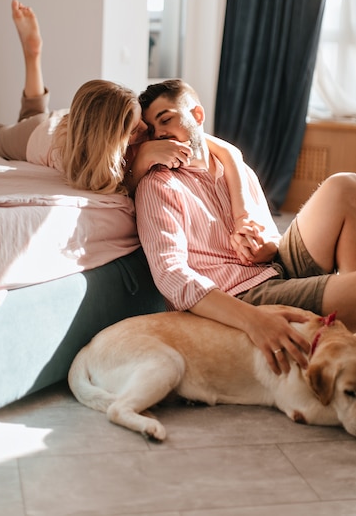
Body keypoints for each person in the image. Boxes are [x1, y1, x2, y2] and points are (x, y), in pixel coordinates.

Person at [135, 78, 356, 375]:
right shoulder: (158, 186)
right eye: (152, 130)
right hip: (240, 293)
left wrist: (265, 247)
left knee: (344, 185)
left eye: (167, 120)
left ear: (197, 116)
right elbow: (171, 275)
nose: (161, 134)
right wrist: (252, 319)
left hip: (275, 266)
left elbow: (271, 239)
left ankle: (347, 319)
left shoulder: (235, 169)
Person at [0, 0, 193, 195]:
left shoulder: (112, 131)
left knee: (31, 113)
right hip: (35, 134)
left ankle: (33, 56)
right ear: (109, 141)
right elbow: (117, 187)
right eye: (135, 130)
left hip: (67, 119)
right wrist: (145, 157)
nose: (147, 128)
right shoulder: (89, 163)